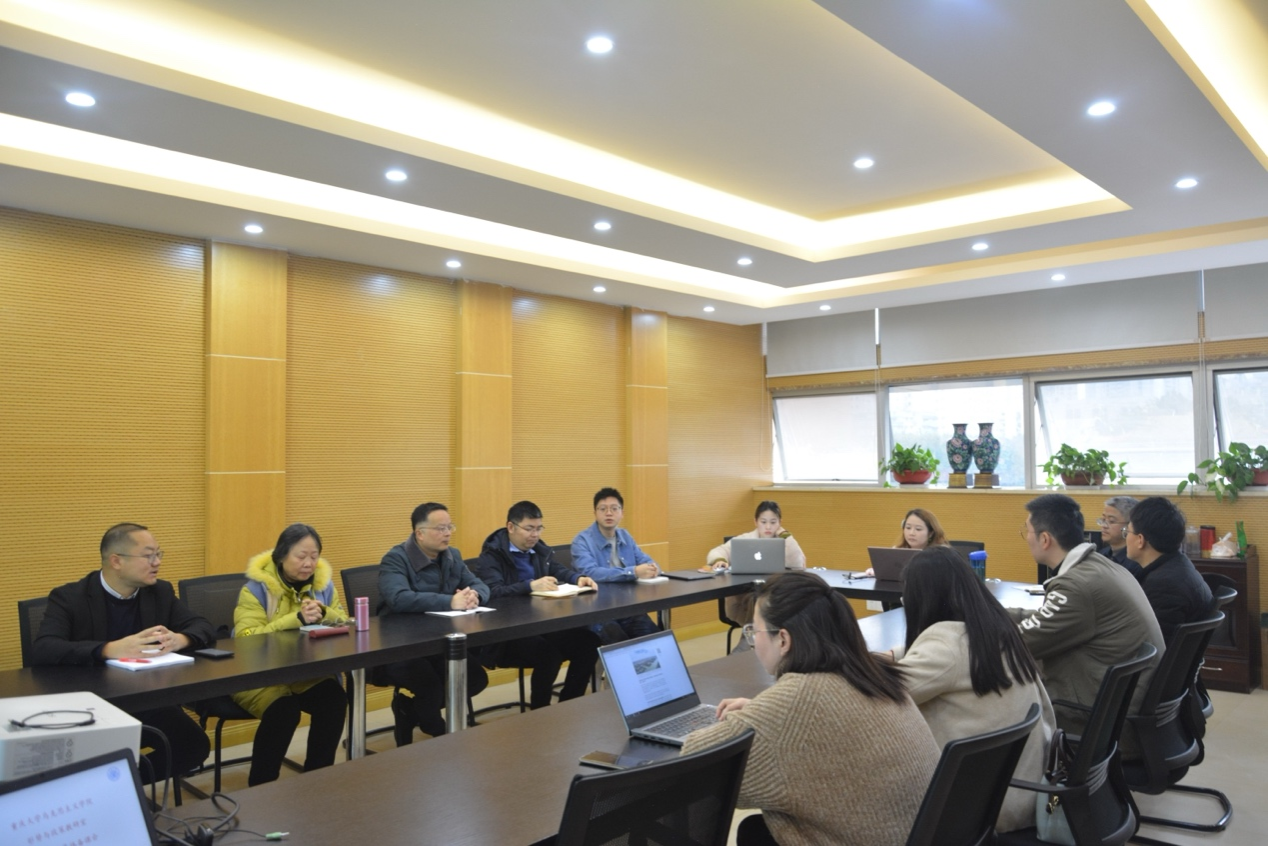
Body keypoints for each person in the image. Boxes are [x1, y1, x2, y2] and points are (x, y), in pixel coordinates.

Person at [682, 572, 940, 846]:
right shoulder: (875, 674)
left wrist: (756, 718)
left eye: (754, 632)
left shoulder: (800, 697)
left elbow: (694, 759)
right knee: (756, 829)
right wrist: (760, 713)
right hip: (917, 836)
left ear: (783, 639)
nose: (753, 642)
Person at [32, 523, 216, 785]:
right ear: (116, 561)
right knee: (90, 755)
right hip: (91, 705)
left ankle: (124, 786)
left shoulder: (159, 591)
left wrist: (179, 639)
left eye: (159, 554)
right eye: (148, 556)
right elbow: (44, 648)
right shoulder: (70, 597)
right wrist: (109, 649)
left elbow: (202, 626)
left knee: (193, 745)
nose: (157, 562)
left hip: (145, 700)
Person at [891, 546, 1056, 832]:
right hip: (1024, 794)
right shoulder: (996, 628)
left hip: (980, 809)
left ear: (923, 599)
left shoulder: (944, 646)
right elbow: (946, 659)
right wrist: (895, 654)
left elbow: (884, 694)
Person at [1011, 494, 1163, 756]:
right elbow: (1043, 620)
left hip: (1100, 724)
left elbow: (1016, 643)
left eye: (1027, 531)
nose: (1026, 538)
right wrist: (987, 612)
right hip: (1119, 711)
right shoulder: (1098, 566)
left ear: (1045, 539)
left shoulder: (1076, 586)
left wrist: (964, 627)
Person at [232, 524, 350, 785]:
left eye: (314, 556)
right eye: (301, 556)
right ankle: (261, 785)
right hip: (258, 674)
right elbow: (246, 640)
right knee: (284, 711)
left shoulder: (322, 586)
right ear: (281, 555)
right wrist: (296, 619)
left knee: (333, 700)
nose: (309, 564)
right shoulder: (256, 590)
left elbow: (343, 620)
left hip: (303, 670)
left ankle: (317, 778)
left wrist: (324, 613)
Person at [378, 502, 490, 745]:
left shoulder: (452, 555)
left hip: (439, 640)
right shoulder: (395, 559)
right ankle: (435, 728)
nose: (447, 533)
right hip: (402, 645)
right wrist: (450, 601)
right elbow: (398, 598)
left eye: (450, 527)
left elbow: (479, 583)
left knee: (475, 678)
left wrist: (475, 596)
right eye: (440, 528)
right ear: (420, 533)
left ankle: (410, 711)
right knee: (429, 684)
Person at [473, 501, 601, 709]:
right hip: (507, 635)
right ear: (511, 527)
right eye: (529, 529)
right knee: (549, 654)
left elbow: (557, 570)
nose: (535, 535)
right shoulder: (492, 556)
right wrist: (530, 585)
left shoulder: (539, 550)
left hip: (542, 624)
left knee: (589, 642)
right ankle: (540, 711)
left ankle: (568, 705)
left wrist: (577, 578)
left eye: (539, 528)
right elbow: (492, 592)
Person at [571, 487, 660, 643]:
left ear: (621, 513)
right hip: (597, 611)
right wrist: (633, 572)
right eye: (603, 509)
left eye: (614, 508)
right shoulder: (582, 541)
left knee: (653, 639)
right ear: (595, 513)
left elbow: (646, 560)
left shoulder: (625, 536)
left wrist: (652, 568)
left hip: (628, 607)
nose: (609, 513)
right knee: (618, 642)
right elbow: (590, 573)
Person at [1124, 497, 1213, 643]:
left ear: (1140, 540)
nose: (1126, 537)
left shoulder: (1163, 585)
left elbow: (1153, 645)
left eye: (1127, 531)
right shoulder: (1180, 565)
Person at [706, 500, 807, 626]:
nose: (768, 527)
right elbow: (717, 551)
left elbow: (798, 562)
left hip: (774, 591)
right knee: (761, 602)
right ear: (756, 522)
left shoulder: (785, 542)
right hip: (745, 596)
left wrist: (785, 535)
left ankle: (764, 634)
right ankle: (756, 633)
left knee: (788, 599)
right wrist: (719, 560)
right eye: (763, 522)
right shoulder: (745, 539)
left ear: (780, 523)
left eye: (773, 522)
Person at [864, 507, 948, 576]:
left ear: (930, 533)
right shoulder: (897, 551)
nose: (911, 533)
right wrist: (877, 571)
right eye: (908, 528)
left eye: (918, 529)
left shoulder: (941, 555)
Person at [1097, 495, 1141, 578]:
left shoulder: (1137, 562)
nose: (1104, 525)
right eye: (1103, 520)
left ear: (1130, 525)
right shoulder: (1101, 555)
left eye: (1111, 521)